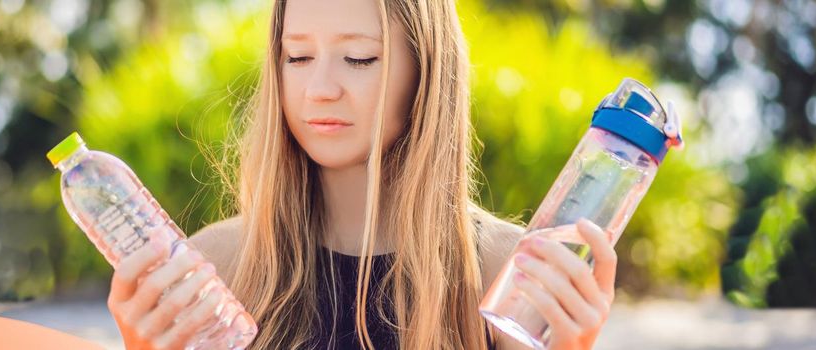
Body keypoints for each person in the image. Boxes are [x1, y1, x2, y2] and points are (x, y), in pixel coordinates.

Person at [106, 0, 618, 349]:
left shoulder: (505, 275)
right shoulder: (216, 268)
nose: (319, 89)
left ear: (427, 69)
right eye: (298, 56)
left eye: (359, 58)